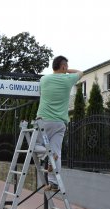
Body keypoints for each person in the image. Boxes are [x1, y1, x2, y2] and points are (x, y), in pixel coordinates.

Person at [36, 56, 83, 191]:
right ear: (63, 67)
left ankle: (46, 155)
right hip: (60, 123)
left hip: (44, 120)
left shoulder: (44, 79)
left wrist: (63, 69)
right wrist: (67, 71)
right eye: (66, 67)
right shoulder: (68, 79)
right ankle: (54, 182)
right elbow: (81, 72)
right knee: (57, 150)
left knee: (35, 146)